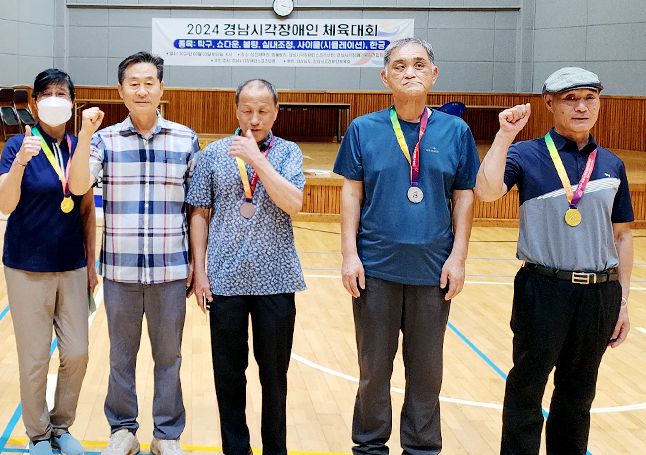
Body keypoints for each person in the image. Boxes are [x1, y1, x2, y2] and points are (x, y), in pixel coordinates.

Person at [474, 67, 633, 455]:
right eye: (570, 98)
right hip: (542, 290)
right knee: (527, 389)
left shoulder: (611, 164)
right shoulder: (526, 154)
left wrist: (623, 301)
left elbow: (623, 235)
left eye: (589, 98)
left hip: (598, 294)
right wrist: (504, 136)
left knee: (578, 398)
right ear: (549, 103)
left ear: (599, 102)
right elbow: (486, 191)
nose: (581, 107)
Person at [333, 37, 480, 454]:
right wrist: (349, 254)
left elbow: (465, 196)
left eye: (419, 64)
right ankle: (369, 446)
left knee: (426, 373)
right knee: (373, 371)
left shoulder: (456, 131)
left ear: (434, 74)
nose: (409, 72)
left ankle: (421, 448)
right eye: (399, 66)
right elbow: (351, 195)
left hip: (433, 273)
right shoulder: (364, 129)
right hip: (375, 270)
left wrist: (459, 257)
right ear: (385, 78)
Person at [69, 51, 200, 455]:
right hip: (121, 270)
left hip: (171, 269)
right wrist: (86, 133)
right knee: (120, 357)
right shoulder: (105, 140)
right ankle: (122, 430)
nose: (142, 90)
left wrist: (198, 262)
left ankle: (166, 434)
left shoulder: (185, 138)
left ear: (162, 88)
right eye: (133, 83)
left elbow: (197, 207)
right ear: (121, 90)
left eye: (149, 82)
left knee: (169, 356)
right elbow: (76, 186)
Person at [187, 79, 306, 455]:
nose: (254, 119)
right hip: (224, 281)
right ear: (236, 110)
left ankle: (275, 450)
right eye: (247, 110)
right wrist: (200, 271)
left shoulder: (287, 152)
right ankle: (236, 450)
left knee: (274, 379)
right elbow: (199, 213)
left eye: (263, 111)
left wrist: (257, 159)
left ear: (275, 112)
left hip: (276, 282)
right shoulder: (213, 153)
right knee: (228, 377)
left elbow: (294, 203)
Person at [0, 69, 104, 455]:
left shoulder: (80, 146)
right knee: (36, 355)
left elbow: (86, 207)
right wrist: (21, 163)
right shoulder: (16, 146)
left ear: (72, 103)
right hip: (26, 265)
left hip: (72, 265)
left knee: (77, 352)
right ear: (35, 102)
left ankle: (61, 425)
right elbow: (3, 205)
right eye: (47, 93)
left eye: (62, 93)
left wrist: (91, 263)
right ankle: (38, 433)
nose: (54, 99)